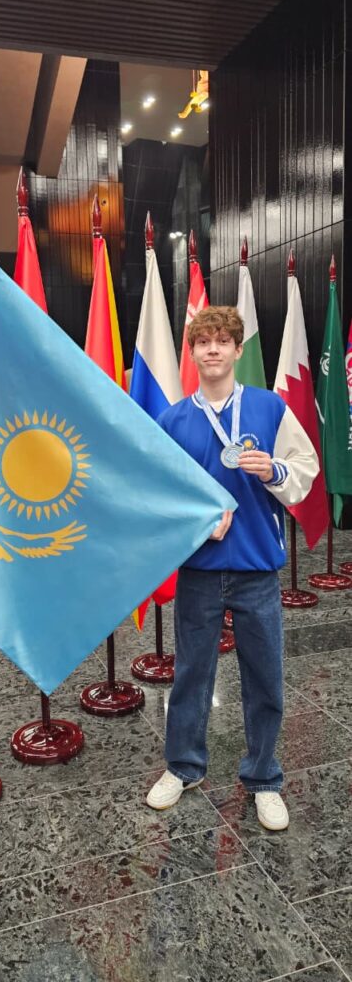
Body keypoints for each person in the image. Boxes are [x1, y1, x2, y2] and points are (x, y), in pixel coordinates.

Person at [146, 306, 319, 830]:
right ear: (193, 353)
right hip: (199, 571)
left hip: (256, 569)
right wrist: (196, 524)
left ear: (238, 351)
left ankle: (264, 777)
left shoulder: (269, 408)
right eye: (204, 342)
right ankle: (183, 766)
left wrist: (275, 470)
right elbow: (160, 496)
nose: (214, 349)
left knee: (264, 677)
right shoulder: (173, 420)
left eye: (223, 341)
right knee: (191, 675)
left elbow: (305, 468)